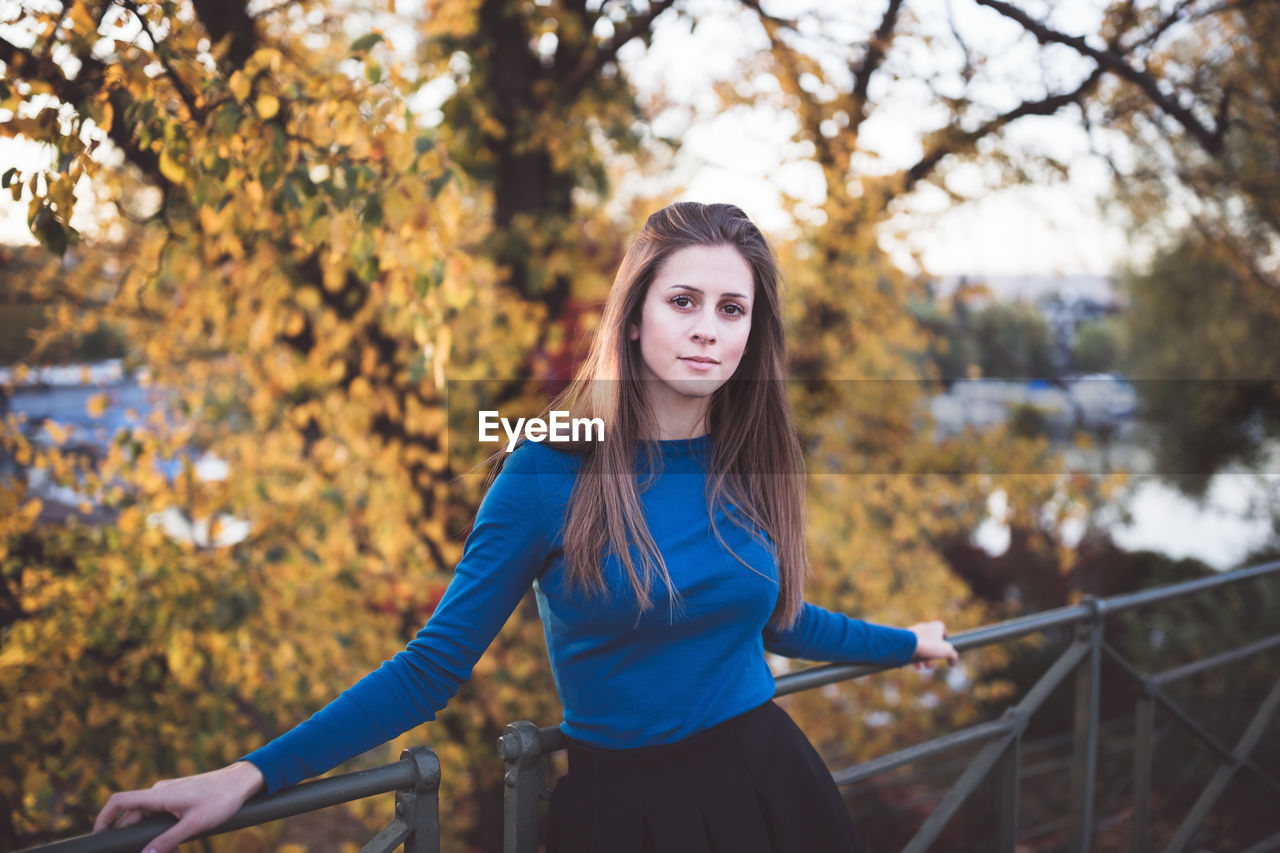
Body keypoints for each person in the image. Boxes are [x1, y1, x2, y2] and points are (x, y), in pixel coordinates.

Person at [93, 201, 959, 853]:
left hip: (773, 785)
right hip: (629, 814)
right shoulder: (551, 461)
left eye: (731, 310)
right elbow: (431, 668)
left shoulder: (752, 456)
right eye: (684, 300)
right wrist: (250, 774)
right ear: (635, 312)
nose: (706, 329)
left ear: (752, 333)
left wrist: (905, 641)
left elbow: (778, 621)